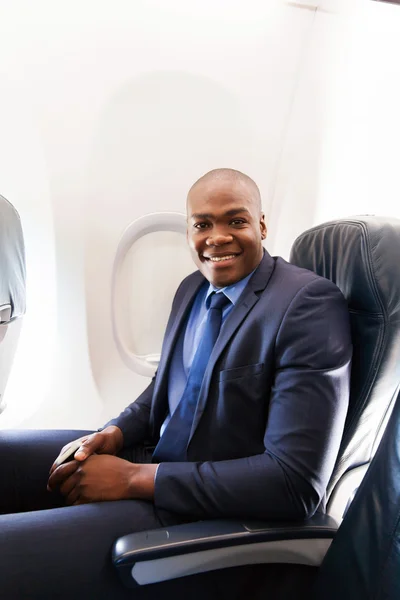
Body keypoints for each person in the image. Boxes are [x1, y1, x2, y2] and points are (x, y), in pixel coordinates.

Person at [0, 168, 352, 599]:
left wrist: (133, 479)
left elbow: (294, 484)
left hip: (197, 516)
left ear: (261, 225)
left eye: (235, 221)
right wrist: (114, 433)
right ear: (188, 232)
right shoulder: (191, 289)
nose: (216, 237)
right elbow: (162, 393)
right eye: (202, 224)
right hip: (151, 458)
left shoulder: (306, 304)